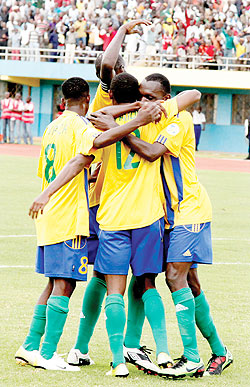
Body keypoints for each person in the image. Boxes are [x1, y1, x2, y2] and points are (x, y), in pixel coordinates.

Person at [15, 76, 162, 372]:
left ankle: (30, 346)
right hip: (68, 213)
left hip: (50, 216)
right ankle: (47, 353)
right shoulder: (80, 126)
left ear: (62, 100)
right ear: (85, 98)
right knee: (65, 284)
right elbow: (85, 155)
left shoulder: (51, 127)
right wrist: (138, 120)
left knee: (53, 281)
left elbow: (66, 163)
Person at [120, 73, 233, 379]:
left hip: (190, 211)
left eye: (150, 98)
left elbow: (154, 151)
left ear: (165, 100)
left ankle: (192, 357)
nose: (143, 102)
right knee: (191, 284)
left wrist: (120, 133)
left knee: (174, 276)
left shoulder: (177, 121)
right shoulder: (148, 120)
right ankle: (220, 352)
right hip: (169, 217)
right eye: (140, 97)